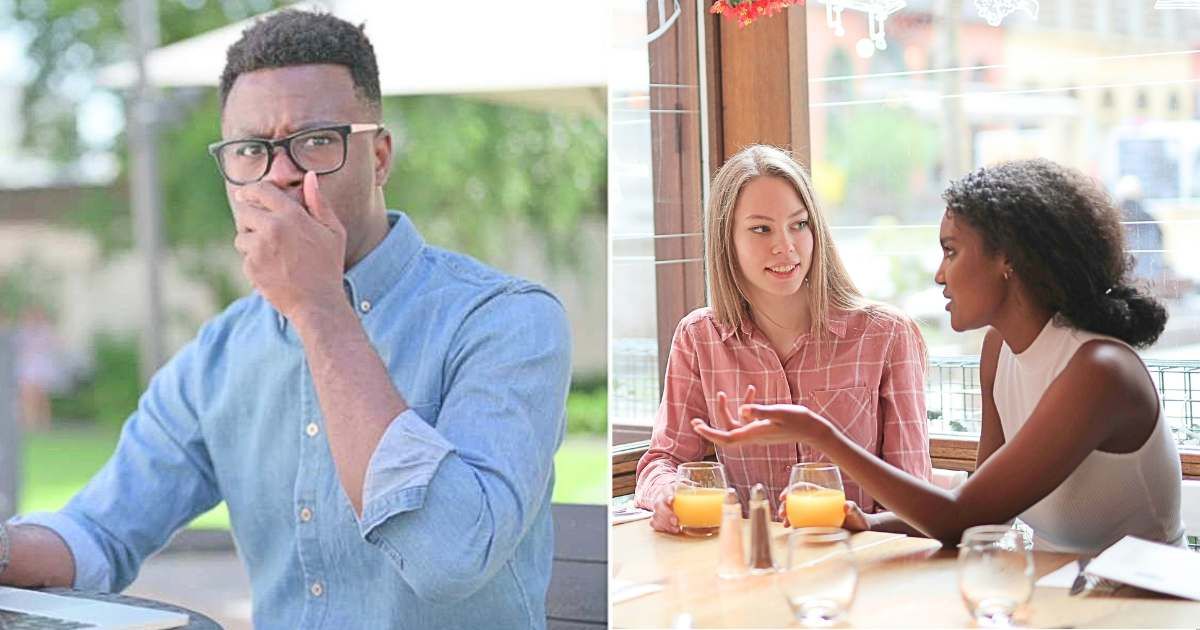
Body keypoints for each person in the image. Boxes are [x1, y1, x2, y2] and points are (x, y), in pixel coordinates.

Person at [0, 10, 571, 628]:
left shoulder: (506, 321)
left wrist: (319, 306)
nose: (280, 172)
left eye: (317, 141)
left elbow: (448, 557)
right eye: (251, 150)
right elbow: (99, 532)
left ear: (378, 157)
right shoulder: (220, 353)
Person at [693, 158, 1186, 553]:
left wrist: (816, 431)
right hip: (1053, 600)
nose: (939, 274)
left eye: (951, 251)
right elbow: (978, 509)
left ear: (1008, 259)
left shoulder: (1098, 373)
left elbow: (960, 519)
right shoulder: (1002, 351)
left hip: (1136, 610)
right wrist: (870, 522)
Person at [634, 144, 932, 534]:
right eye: (761, 229)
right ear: (727, 240)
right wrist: (669, 495)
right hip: (745, 569)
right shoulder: (698, 339)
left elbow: (918, 502)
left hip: (857, 568)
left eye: (799, 224)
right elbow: (663, 459)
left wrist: (863, 522)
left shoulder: (886, 335)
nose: (786, 246)